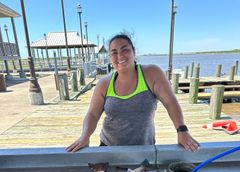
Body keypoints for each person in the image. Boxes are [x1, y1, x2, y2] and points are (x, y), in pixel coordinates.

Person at [66, 33, 199, 152]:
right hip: (108, 149)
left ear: (134, 52)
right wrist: (85, 136)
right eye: (114, 52)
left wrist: (182, 131)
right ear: (110, 57)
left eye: (125, 49)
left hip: (144, 150)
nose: (120, 56)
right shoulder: (104, 83)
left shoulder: (152, 73)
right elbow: (93, 114)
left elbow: (170, 102)